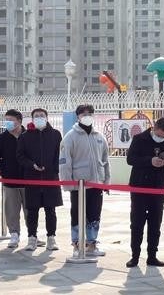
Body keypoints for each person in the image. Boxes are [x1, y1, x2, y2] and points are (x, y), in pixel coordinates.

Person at [126, 117, 164, 268]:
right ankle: (134, 256)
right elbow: (130, 159)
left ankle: (152, 256)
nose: (162, 138)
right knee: (137, 223)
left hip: (158, 187)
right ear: (154, 128)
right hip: (139, 187)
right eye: (160, 135)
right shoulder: (139, 138)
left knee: (155, 224)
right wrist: (149, 161)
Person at [59, 103, 110, 258]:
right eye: (83, 114)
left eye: (89, 113)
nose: (86, 116)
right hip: (78, 186)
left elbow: (105, 160)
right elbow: (64, 162)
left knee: (95, 215)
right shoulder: (70, 137)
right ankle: (77, 244)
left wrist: (106, 182)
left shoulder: (99, 137)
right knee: (77, 214)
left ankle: (92, 244)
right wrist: (69, 184)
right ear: (78, 116)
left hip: (96, 183)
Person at [17, 108, 63, 251]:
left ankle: (51, 238)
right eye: (36, 116)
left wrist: (54, 169)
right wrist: (32, 165)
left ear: (47, 117)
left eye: (42, 116)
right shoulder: (25, 136)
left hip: (50, 178)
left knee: (51, 210)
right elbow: (20, 156)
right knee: (32, 211)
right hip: (32, 178)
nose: (39, 118)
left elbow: (60, 154)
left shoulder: (55, 134)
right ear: (31, 119)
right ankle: (32, 238)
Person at [0, 109, 27, 247]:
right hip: (9, 181)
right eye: (6, 120)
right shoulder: (1, 138)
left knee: (30, 210)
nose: (8, 123)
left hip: (28, 180)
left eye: (11, 120)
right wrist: (3, 171)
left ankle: (32, 235)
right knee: (11, 210)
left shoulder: (29, 136)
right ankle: (14, 234)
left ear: (19, 121)